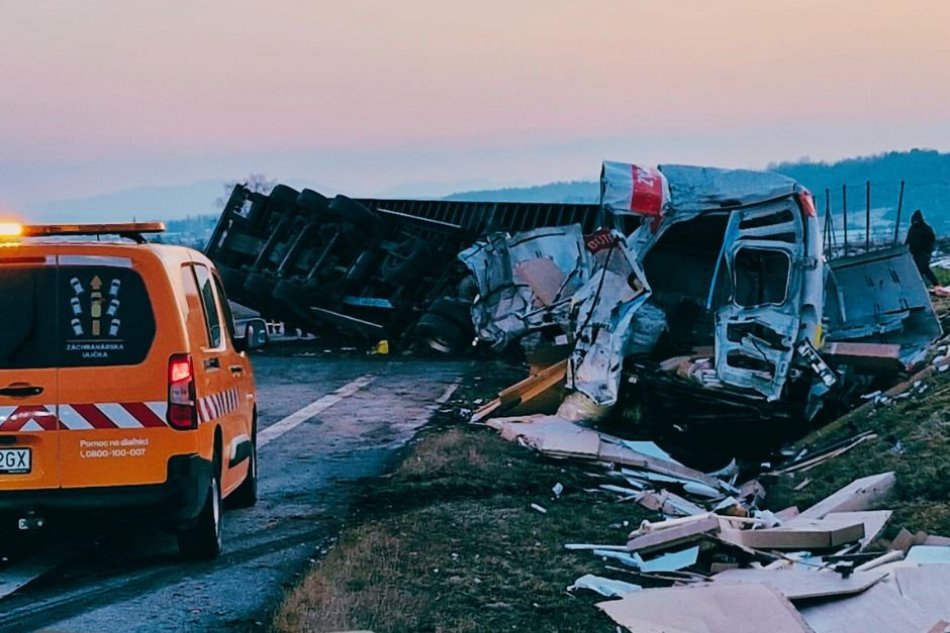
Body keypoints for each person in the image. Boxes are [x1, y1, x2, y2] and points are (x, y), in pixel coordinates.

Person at [905, 209, 940, 286]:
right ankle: (920, 285)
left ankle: (936, 284)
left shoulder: (926, 228)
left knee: (924, 268)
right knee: (918, 269)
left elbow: (931, 240)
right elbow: (908, 239)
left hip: (924, 253)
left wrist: (927, 249)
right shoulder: (912, 229)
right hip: (915, 252)